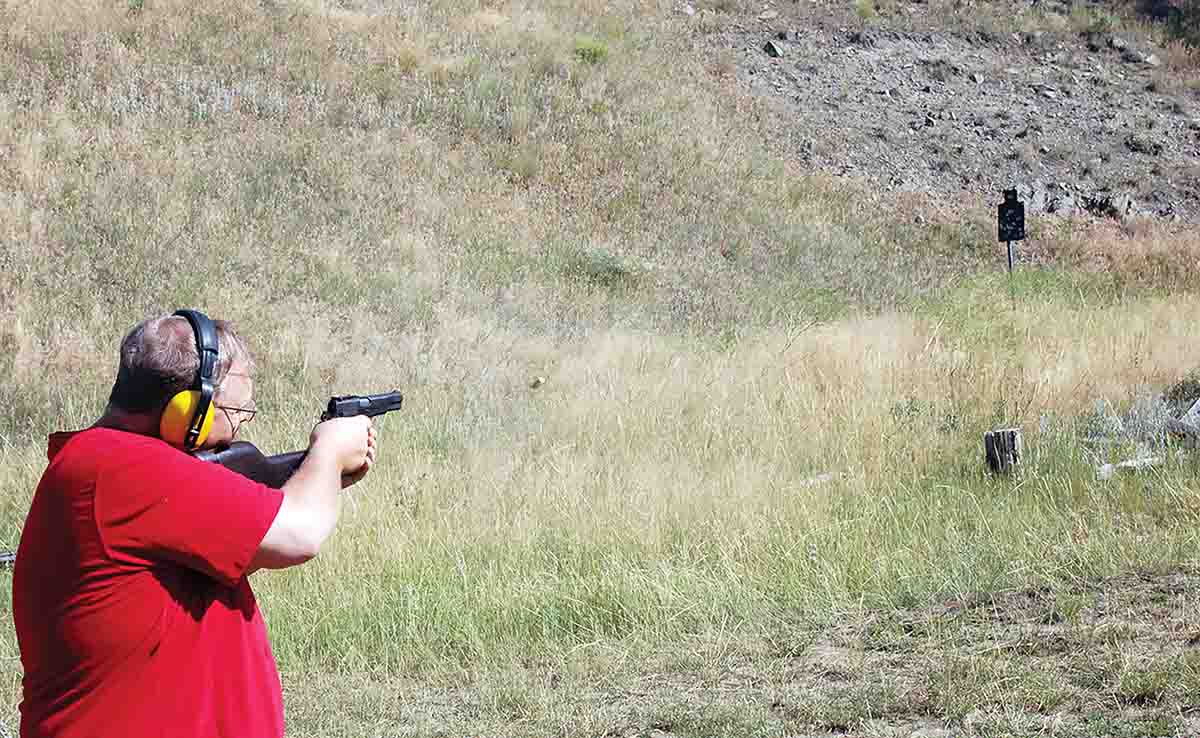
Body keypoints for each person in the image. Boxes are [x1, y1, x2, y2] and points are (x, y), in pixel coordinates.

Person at [11, 310, 376, 738]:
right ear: (188, 409)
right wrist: (328, 451)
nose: (240, 427)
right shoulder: (121, 468)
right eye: (238, 409)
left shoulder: (102, 466)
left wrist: (318, 479)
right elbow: (301, 533)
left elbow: (222, 559)